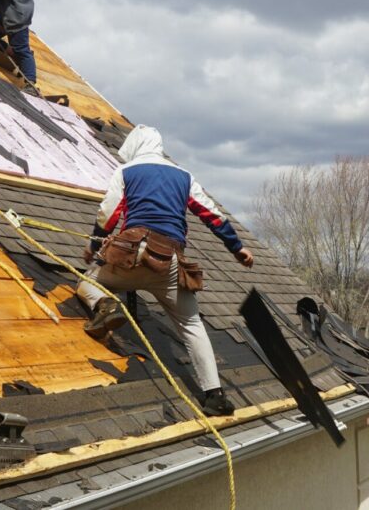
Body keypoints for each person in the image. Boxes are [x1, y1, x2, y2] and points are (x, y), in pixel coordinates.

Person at [76, 125, 255, 416]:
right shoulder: (183, 176)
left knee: (87, 282)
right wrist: (237, 248)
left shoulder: (127, 172)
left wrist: (93, 247)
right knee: (191, 324)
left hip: (131, 256)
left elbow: (109, 213)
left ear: (134, 146)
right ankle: (214, 395)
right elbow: (212, 215)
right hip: (168, 261)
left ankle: (107, 305)